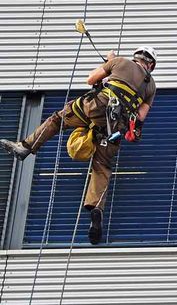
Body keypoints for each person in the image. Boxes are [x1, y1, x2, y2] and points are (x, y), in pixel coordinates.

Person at [0, 46, 157, 245]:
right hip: (115, 127)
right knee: (102, 167)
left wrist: (109, 63)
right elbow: (141, 116)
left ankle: (26, 147)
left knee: (58, 119)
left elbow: (91, 80)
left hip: (96, 107)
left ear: (137, 57)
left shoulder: (120, 62)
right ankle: (97, 210)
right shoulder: (150, 86)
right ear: (150, 65)